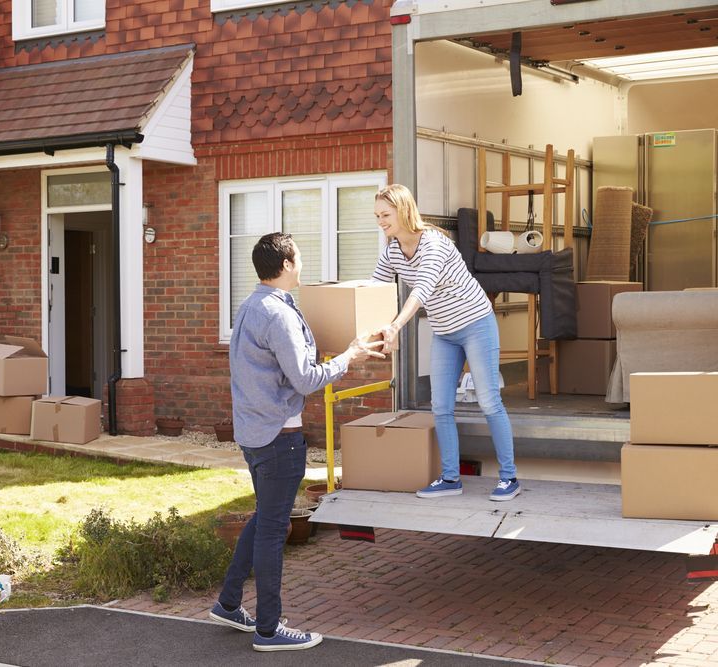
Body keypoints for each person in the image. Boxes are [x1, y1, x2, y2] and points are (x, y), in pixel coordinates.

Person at [209, 232, 385, 652]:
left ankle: (229, 604)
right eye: (300, 258)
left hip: (254, 434)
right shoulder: (278, 314)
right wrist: (350, 357)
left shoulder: (252, 306)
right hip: (278, 439)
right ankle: (269, 630)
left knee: (263, 518)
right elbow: (305, 379)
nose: (303, 265)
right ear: (286, 264)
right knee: (273, 529)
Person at [371, 184, 520, 502]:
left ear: (403, 211)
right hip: (444, 332)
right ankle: (451, 477)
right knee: (440, 406)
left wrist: (395, 326)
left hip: (476, 324)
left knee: (489, 401)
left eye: (385, 215)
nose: (381, 221)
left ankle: (509, 478)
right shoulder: (393, 250)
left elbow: (421, 290)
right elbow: (375, 288)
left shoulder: (434, 244)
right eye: (377, 216)